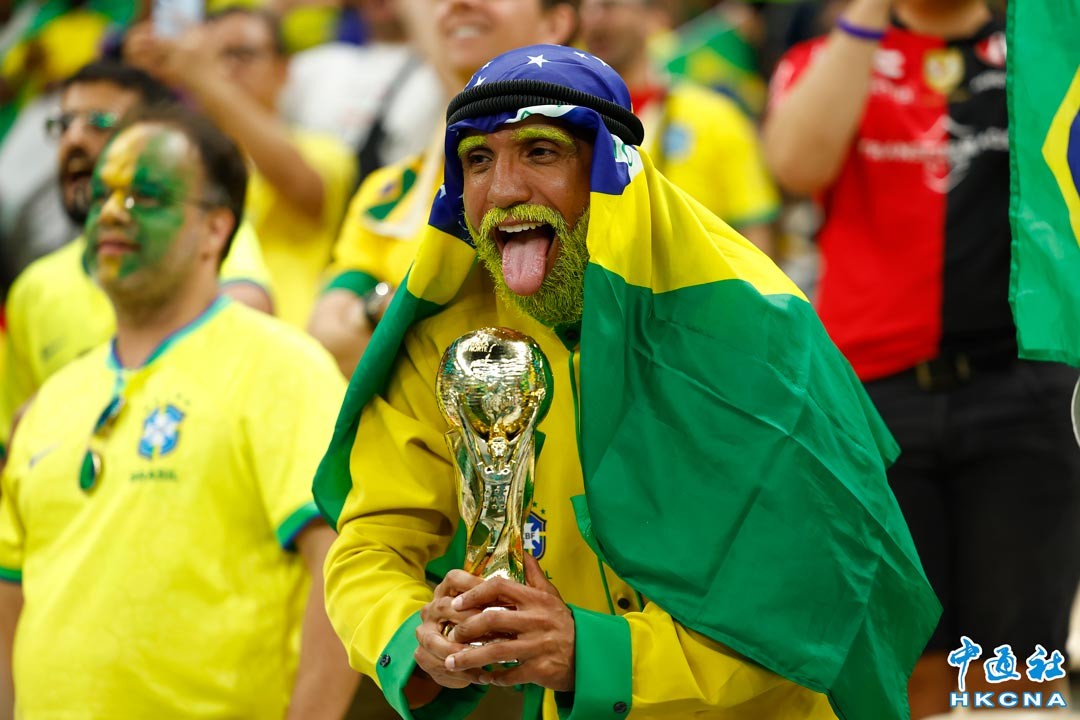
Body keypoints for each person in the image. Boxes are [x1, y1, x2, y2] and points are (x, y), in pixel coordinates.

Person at [315, 44, 939, 720]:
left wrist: (593, 654)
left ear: (611, 171)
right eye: (478, 161)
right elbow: (371, 542)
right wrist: (415, 638)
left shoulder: (748, 326)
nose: (504, 190)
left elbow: (806, 594)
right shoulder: (449, 336)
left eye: (541, 152)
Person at [763, 0, 1080, 716]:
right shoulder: (828, 57)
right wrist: (867, 15)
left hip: (1024, 390)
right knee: (905, 661)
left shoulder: (1044, 50)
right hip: (875, 405)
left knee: (1018, 667)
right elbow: (794, 165)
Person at [0, 105, 357, 717]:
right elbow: (11, 592)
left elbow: (339, 564)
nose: (112, 213)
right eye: (104, 195)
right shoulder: (54, 397)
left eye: (145, 197)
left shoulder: (281, 366)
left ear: (216, 229)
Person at [0, 60, 273, 452]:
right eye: (64, 124)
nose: (74, 139)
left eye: (99, 122)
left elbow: (247, 311)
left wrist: (77, 397)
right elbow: (15, 439)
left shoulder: (192, 232)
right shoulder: (34, 288)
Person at [306, 0, 578, 377]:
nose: (456, 5)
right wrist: (386, 307)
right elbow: (328, 343)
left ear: (555, 22)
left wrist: (396, 315)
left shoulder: (608, 169)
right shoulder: (388, 191)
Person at [127, 8, 357, 327]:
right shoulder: (184, 155)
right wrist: (140, 81)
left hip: (286, 329)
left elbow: (302, 188)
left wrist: (202, 78)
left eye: (241, 54)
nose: (225, 69)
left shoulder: (323, 148)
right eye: (214, 57)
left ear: (283, 69)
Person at [580, 0, 778, 255]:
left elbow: (754, 231)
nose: (594, 19)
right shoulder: (569, 117)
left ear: (655, 19)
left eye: (609, 6)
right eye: (585, 8)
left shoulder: (716, 115)